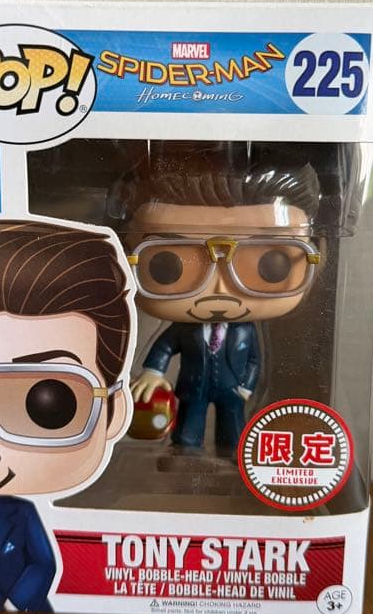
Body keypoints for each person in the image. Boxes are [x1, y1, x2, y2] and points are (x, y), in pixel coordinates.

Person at [0, 217, 132, 611]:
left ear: (114, 411)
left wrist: (18, 603)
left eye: (46, 402)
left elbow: (42, 564)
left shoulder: (20, 515)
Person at [109, 147, 324, 455]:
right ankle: (185, 453)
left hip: (232, 390)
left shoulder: (244, 331)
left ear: (315, 255)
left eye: (270, 265)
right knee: (188, 427)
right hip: (192, 388)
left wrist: (246, 387)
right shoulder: (186, 330)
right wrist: (153, 372)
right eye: (168, 265)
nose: (220, 288)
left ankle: (234, 455)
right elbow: (165, 346)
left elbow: (254, 360)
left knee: (233, 428)